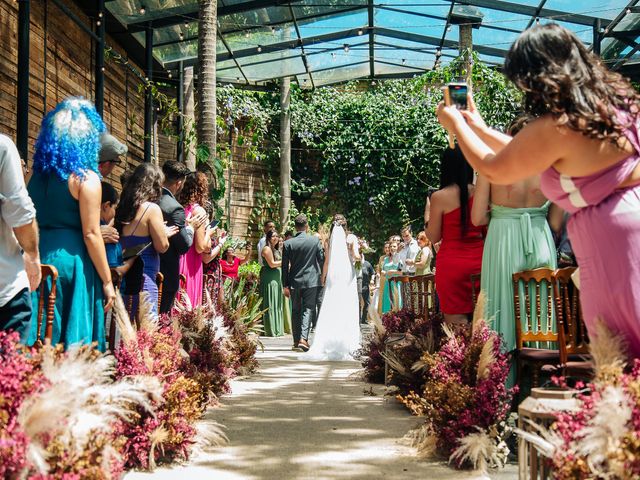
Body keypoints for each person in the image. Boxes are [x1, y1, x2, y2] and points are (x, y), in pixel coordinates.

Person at [437, 23, 640, 354]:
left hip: (613, 243)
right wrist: (480, 127)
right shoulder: (616, 107)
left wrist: (457, 126)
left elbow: (494, 167)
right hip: (631, 223)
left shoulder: (558, 125)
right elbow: (524, 152)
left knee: (623, 354)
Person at [27, 98, 115, 350]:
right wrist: (107, 281)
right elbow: (91, 234)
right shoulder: (85, 179)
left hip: (36, 256)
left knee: (37, 332)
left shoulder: (34, 174)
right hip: (72, 264)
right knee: (71, 341)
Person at [470, 117, 557, 352]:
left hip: (502, 239)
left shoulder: (491, 164)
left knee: (502, 304)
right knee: (540, 309)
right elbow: (557, 221)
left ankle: (500, 378)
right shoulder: (552, 167)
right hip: (540, 238)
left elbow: (477, 218)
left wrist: (500, 216)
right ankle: (541, 376)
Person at [425, 146, 484, 325]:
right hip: (481, 264)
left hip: (452, 267)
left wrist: (427, 217)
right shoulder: (481, 193)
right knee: (484, 326)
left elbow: (433, 236)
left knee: (456, 334)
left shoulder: (439, 197)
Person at [115, 163, 178, 316]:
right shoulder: (151, 209)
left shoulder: (122, 207)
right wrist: (163, 233)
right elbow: (162, 246)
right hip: (144, 279)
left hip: (122, 282)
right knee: (145, 334)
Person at [0, 135, 40, 341]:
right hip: (5, 289)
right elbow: (20, 214)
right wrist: (32, 256)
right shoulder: (3, 147)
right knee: (10, 369)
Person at [306, 214, 361, 361]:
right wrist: (358, 253)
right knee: (348, 305)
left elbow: (327, 262)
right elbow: (357, 257)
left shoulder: (329, 241)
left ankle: (328, 338)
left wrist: (323, 277)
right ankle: (348, 341)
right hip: (347, 275)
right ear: (346, 225)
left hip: (333, 275)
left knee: (331, 304)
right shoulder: (351, 238)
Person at [158, 161, 204, 314]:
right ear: (179, 183)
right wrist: (190, 227)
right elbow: (184, 245)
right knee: (162, 318)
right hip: (166, 272)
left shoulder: (149, 199)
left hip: (145, 269)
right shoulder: (174, 208)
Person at [281, 214, 324, 352]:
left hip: (294, 281)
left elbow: (284, 266)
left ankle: (295, 340)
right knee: (308, 308)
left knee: (295, 310)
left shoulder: (288, 243)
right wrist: (322, 276)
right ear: (306, 226)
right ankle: (303, 339)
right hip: (312, 280)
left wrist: (285, 285)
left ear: (295, 227)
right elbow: (321, 259)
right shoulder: (314, 241)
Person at [177, 172, 215, 308]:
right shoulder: (198, 212)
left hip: (178, 260)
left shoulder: (179, 208)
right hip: (191, 264)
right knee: (188, 306)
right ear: (202, 189)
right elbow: (200, 247)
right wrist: (209, 234)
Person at [260, 230, 284, 337]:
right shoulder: (266, 249)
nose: (275, 238)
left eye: (277, 236)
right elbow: (272, 264)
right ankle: (270, 328)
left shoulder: (275, 249)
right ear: (268, 238)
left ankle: (277, 327)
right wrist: (286, 262)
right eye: (273, 236)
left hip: (276, 278)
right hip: (269, 278)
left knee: (276, 301)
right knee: (270, 301)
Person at [100, 182, 123, 269]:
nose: (115, 213)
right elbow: (112, 272)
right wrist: (130, 262)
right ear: (106, 206)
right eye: (115, 208)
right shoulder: (109, 234)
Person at [380, 240, 401, 314]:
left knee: (397, 303)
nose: (392, 248)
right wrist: (382, 272)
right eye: (391, 246)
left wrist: (391, 272)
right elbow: (383, 270)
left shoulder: (399, 258)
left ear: (397, 247)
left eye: (394, 246)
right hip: (387, 283)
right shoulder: (385, 259)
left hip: (396, 283)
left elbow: (401, 272)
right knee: (387, 303)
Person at [360, 257, 375, 324]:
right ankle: (357, 319)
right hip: (357, 286)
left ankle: (364, 319)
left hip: (365, 286)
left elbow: (373, 273)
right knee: (357, 303)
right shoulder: (354, 263)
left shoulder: (367, 264)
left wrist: (372, 279)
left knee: (367, 303)